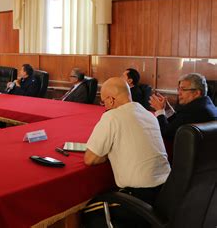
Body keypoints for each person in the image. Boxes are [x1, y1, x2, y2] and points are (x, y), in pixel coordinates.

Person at [83, 77, 170, 227]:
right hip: (166, 194)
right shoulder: (149, 115)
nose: (103, 106)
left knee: (87, 213)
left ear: (110, 100)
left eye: (103, 102)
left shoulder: (112, 117)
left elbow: (90, 159)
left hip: (137, 199)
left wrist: (108, 153)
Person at [149, 73, 217, 141]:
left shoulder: (193, 111)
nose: (179, 93)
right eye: (178, 89)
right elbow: (177, 123)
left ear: (197, 93)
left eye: (183, 89)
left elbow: (166, 134)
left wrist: (159, 111)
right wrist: (167, 109)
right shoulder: (207, 106)